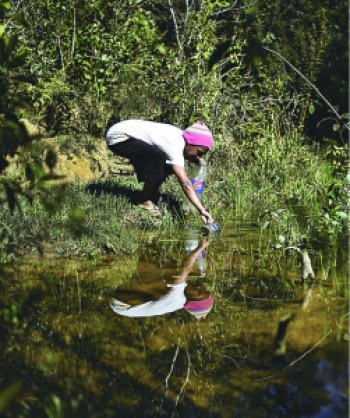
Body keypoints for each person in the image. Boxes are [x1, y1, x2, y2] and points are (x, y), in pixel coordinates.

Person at [105, 118, 214, 224]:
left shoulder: (182, 140)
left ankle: (151, 193)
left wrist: (194, 158)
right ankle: (144, 200)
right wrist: (202, 210)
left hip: (125, 134)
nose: (199, 156)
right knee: (156, 157)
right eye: (199, 152)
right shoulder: (175, 145)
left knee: (166, 163)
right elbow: (185, 183)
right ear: (191, 143)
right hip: (117, 137)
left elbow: (183, 158)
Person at [110, 237, 213, 321]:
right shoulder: (182, 297)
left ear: (191, 299)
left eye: (199, 292)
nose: (200, 287)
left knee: (173, 276)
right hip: (127, 302)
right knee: (172, 276)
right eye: (204, 289)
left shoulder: (177, 299)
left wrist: (201, 247)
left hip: (121, 303)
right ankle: (147, 251)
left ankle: (144, 249)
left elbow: (186, 267)